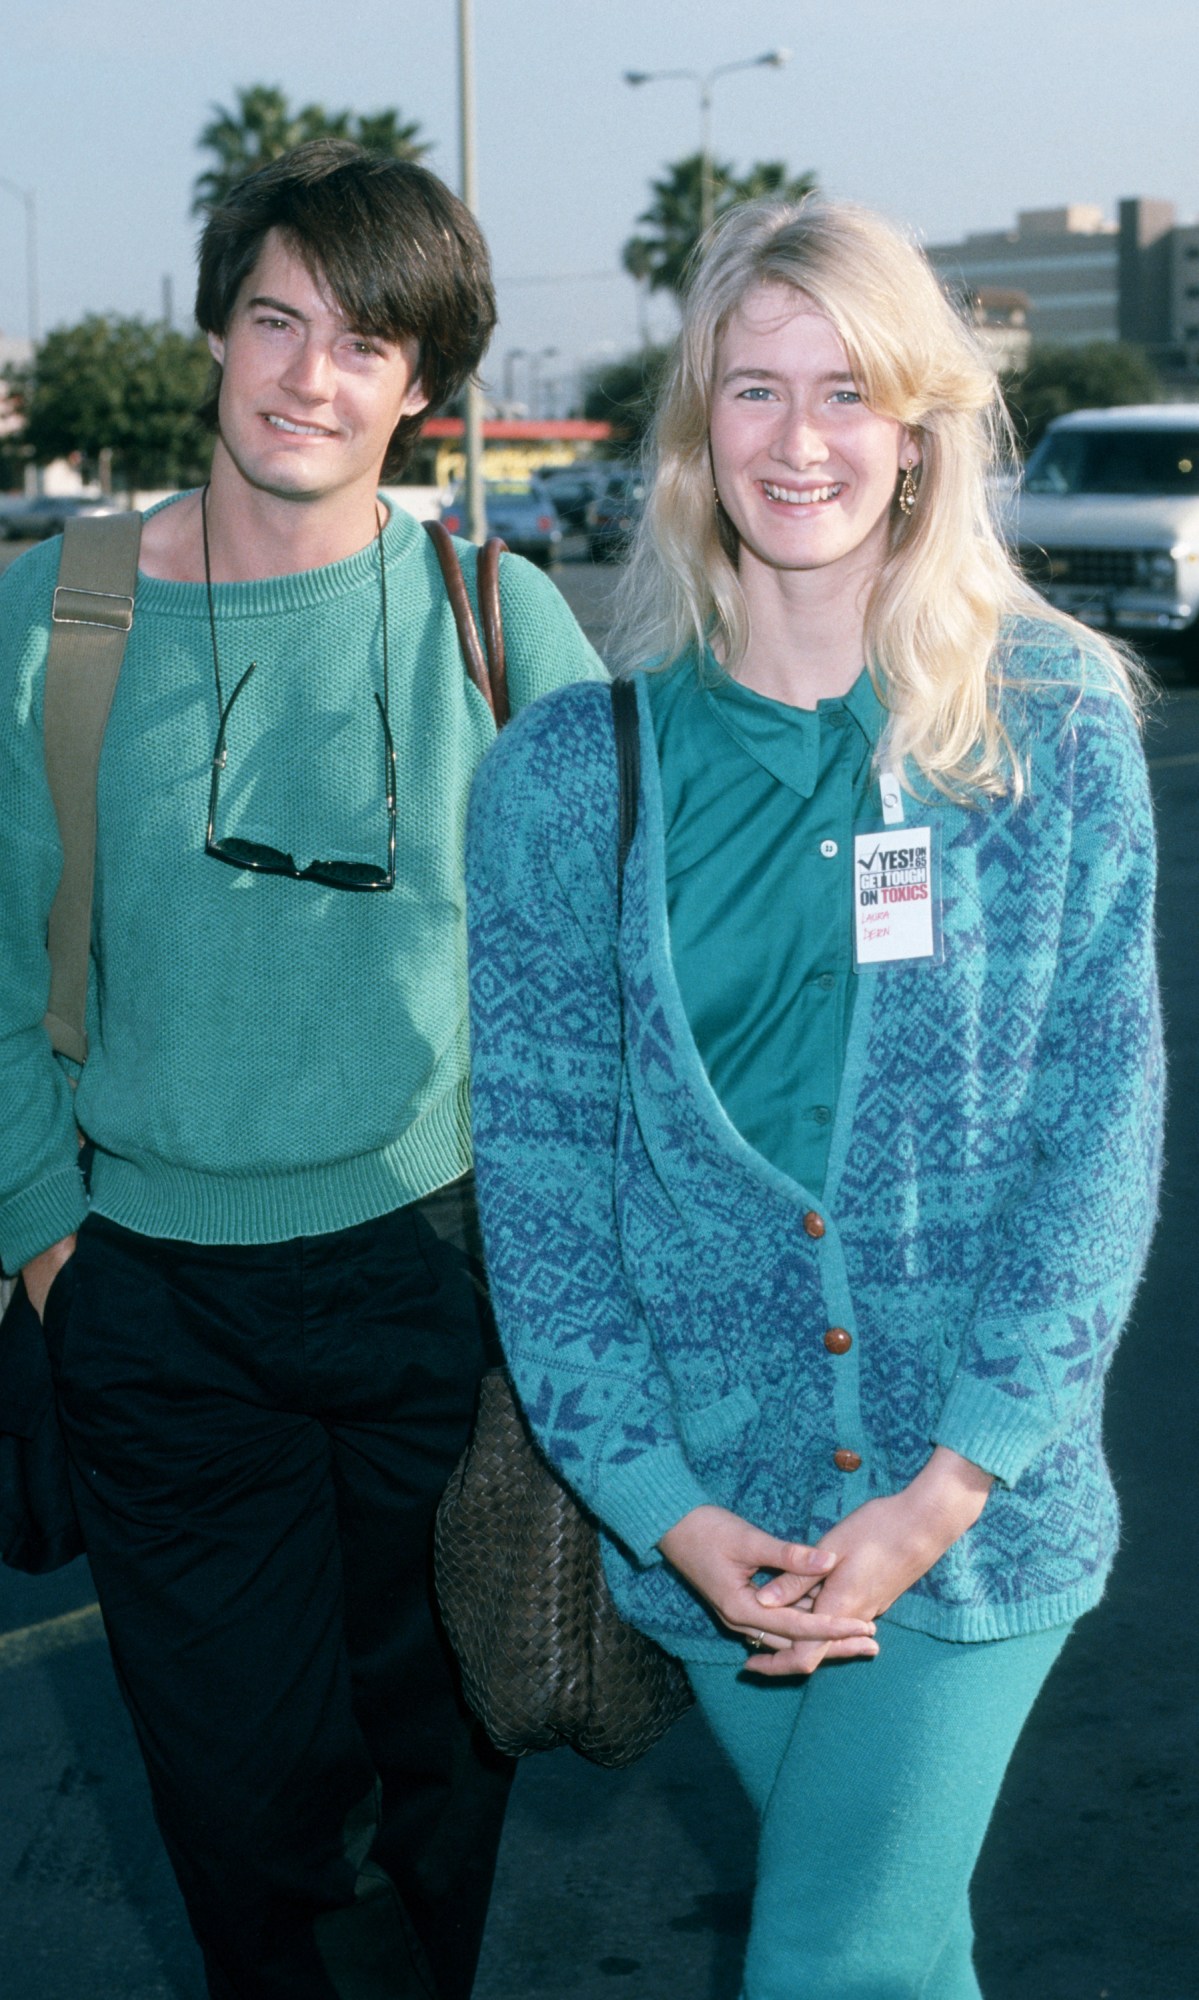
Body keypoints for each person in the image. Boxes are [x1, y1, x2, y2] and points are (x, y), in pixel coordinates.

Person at [465, 195, 1163, 2000]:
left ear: (920, 430)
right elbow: (543, 1181)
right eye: (757, 391)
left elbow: (1104, 1127)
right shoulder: (566, 777)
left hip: (970, 1506)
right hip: (719, 1529)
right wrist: (670, 1513)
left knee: (828, 1959)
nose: (803, 440)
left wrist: (942, 1492)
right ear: (699, 432)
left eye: (849, 391)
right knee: (893, 1950)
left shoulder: (1055, 729)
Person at [0, 140, 603, 2000]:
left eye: (366, 341)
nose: (307, 376)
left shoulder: (503, 626)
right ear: (215, 330)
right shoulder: (54, 616)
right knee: (256, 1824)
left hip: (438, 1276)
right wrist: (44, 1235)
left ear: (422, 388)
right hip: (155, 1305)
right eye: (277, 319)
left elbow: (595, 997)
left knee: (437, 1798)